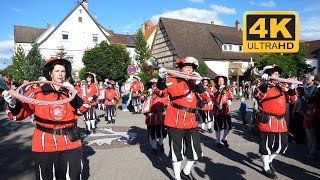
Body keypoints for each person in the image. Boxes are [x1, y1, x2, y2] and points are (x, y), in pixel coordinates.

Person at [2, 57, 90, 179]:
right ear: (50, 73)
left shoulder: (73, 91)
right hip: (45, 142)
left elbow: (82, 110)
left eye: (63, 71)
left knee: (73, 176)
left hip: (70, 142)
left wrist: (71, 91)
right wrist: (13, 104)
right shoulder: (37, 93)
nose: (60, 74)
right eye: (57, 71)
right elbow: (19, 115)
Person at [157, 56, 204, 180]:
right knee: (176, 151)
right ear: (180, 68)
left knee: (195, 151)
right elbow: (161, 88)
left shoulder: (195, 81)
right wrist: (161, 78)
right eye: (186, 67)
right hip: (175, 120)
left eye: (191, 67)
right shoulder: (172, 79)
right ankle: (177, 177)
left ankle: (186, 171)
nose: (189, 70)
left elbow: (202, 93)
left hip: (192, 120)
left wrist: (198, 81)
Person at [254, 64, 296, 179]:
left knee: (283, 146)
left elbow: (292, 100)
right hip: (267, 120)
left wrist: (291, 87)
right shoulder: (261, 86)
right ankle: (266, 167)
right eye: (274, 72)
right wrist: (264, 84)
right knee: (266, 146)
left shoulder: (281, 86)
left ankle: (269, 161)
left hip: (280, 121)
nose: (277, 74)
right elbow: (258, 96)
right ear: (268, 75)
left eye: (278, 72)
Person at [144, 78, 168, 154]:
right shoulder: (148, 95)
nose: (153, 86)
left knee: (162, 134)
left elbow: (165, 97)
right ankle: (154, 148)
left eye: (155, 84)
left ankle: (160, 144)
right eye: (152, 84)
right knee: (152, 134)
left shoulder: (162, 93)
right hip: (151, 117)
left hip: (161, 116)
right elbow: (146, 105)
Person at [213, 75, 234, 148]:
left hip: (226, 110)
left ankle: (224, 139)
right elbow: (212, 96)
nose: (220, 82)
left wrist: (230, 100)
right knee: (218, 127)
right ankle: (218, 141)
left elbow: (231, 96)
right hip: (217, 110)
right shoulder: (215, 88)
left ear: (224, 81)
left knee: (228, 127)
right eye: (219, 80)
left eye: (221, 80)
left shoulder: (227, 89)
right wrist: (219, 90)